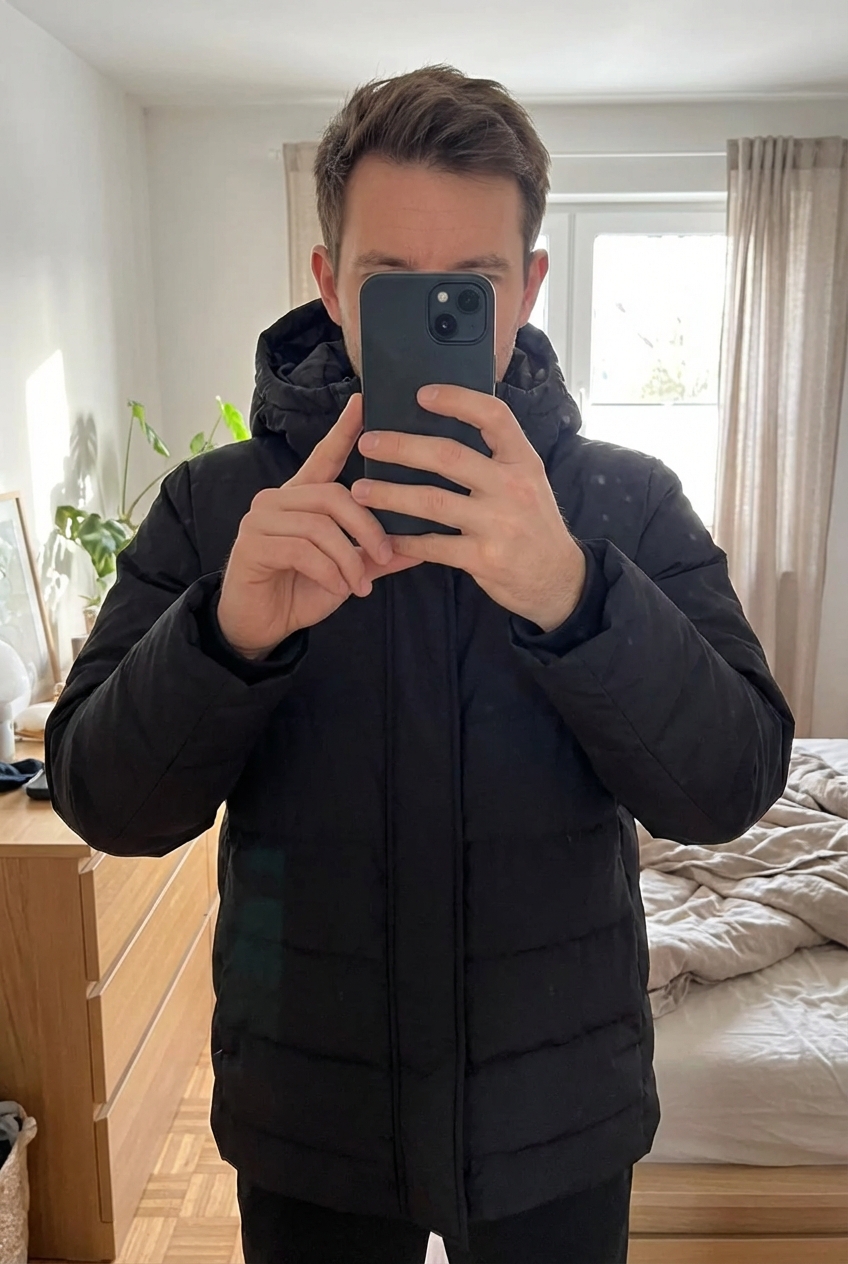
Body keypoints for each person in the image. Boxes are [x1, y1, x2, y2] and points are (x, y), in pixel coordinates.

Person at [45, 64, 794, 1264]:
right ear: (329, 282)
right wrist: (224, 635)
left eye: (470, 285)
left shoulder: (625, 503)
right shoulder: (218, 508)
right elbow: (104, 801)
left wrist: (575, 597)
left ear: (527, 288)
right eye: (392, 281)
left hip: (557, 1119)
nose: (434, 315)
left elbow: (730, 783)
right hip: (311, 1123)